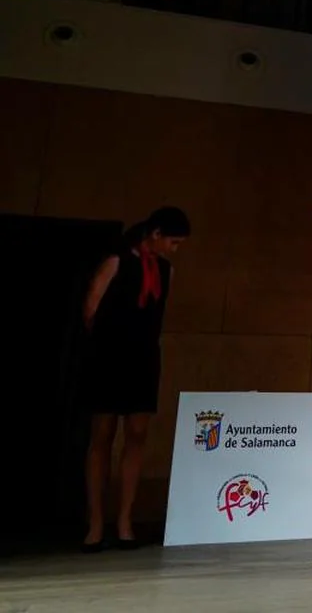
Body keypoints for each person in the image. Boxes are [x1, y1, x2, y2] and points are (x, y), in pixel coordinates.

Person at [81, 205, 191, 551]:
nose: (175, 249)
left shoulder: (165, 270)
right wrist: (105, 345)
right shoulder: (117, 260)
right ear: (155, 234)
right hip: (109, 355)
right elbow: (91, 306)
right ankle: (95, 523)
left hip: (143, 358)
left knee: (137, 435)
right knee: (102, 434)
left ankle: (125, 520)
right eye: (173, 241)